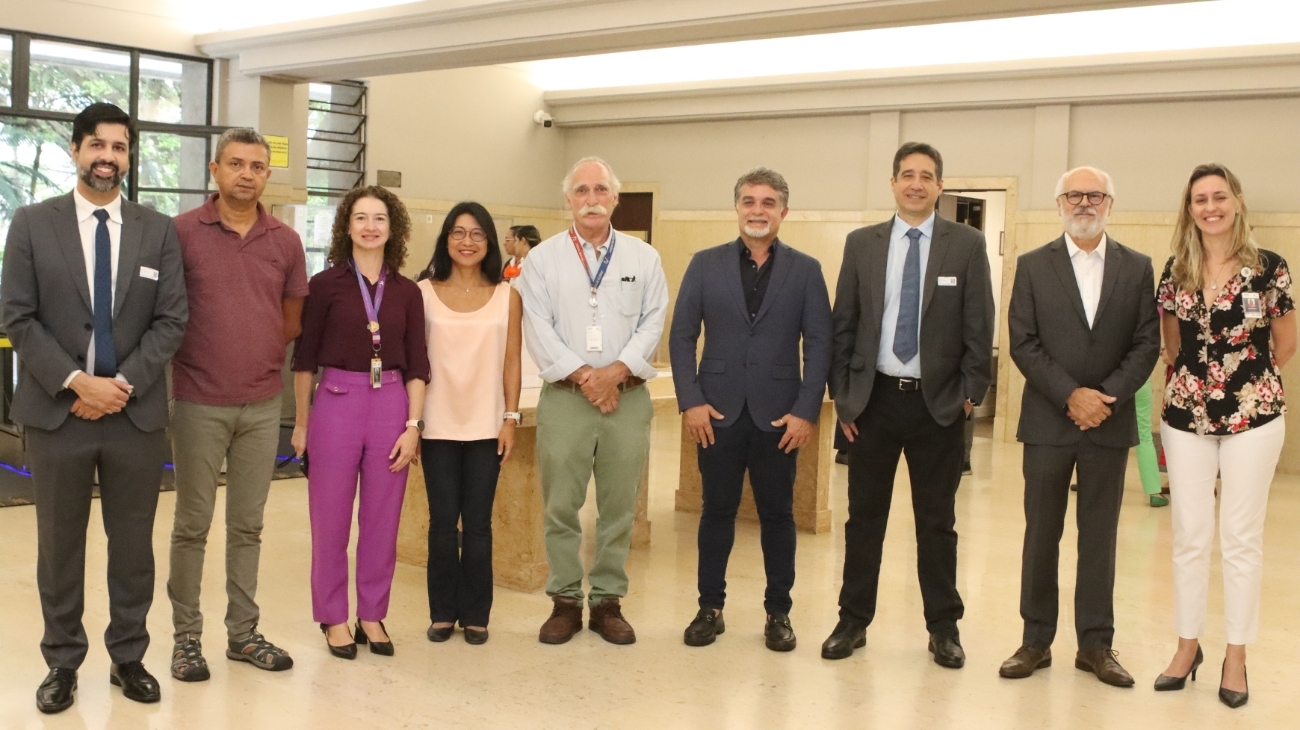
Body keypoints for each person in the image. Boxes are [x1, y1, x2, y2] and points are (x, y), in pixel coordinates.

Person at [1, 102, 187, 713]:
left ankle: (128, 656)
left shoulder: (158, 230)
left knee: (133, 546)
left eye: (119, 147)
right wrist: (79, 383)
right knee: (60, 545)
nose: (108, 157)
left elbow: (172, 320)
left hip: (134, 416)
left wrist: (119, 385)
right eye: (98, 145)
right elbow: (17, 316)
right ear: (76, 150)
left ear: (129, 157)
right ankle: (62, 661)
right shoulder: (33, 223)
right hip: (58, 414)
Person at [824, 142, 994, 666]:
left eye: (926, 176)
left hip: (938, 407)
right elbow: (844, 324)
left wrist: (970, 396)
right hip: (872, 403)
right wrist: (845, 401)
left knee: (937, 523)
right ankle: (853, 620)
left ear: (940, 186)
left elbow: (979, 323)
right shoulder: (862, 244)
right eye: (907, 175)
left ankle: (944, 627)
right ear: (893, 183)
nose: (916, 184)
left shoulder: (966, 245)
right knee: (863, 519)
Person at [1000, 167, 1160, 686]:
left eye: (1095, 195)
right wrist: (1070, 395)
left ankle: (1095, 645)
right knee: (1041, 534)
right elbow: (1023, 341)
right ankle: (1035, 641)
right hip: (1048, 422)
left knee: (1100, 538)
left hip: (1108, 424)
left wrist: (1104, 397)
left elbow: (1147, 343)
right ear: (1059, 204)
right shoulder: (1032, 265)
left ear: (1110, 203)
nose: (1084, 203)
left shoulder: (1137, 267)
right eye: (1074, 195)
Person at [166, 127, 307, 682]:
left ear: (267, 174)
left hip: (261, 403)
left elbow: (290, 319)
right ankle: (186, 639)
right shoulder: (181, 233)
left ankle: (243, 633)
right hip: (198, 401)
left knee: (248, 526)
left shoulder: (285, 241)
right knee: (192, 525)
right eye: (236, 164)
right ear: (215, 169)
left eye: (256, 166)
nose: (246, 174)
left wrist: (258, 352)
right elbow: (166, 313)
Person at [669, 167, 831, 651]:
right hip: (715, 415)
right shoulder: (704, 264)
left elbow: (819, 344)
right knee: (715, 512)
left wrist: (806, 410)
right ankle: (709, 608)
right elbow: (681, 337)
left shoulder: (806, 270)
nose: (757, 210)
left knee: (778, 515)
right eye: (748, 201)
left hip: (779, 417)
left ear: (784, 211)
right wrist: (691, 401)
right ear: (737, 208)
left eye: (767, 202)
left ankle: (778, 613)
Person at [1153, 163, 1295, 708]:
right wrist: (1203, 386)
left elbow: (1285, 342)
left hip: (1253, 417)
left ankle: (1236, 655)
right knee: (1189, 535)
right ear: (1189, 210)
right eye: (1199, 200)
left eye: (1218, 197)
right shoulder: (1176, 270)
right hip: (1186, 418)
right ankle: (1187, 647)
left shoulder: (1269, 268)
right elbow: (1172, 345)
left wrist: (1242, 385)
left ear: (1236, 201)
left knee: (1240, 538)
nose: (1210, 208)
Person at [516, 156, 668, 645]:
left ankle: (607, 601)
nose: (591, 199)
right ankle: (564, 600)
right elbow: (537, 327)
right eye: (581, 191)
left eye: (601, 189)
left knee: (619, 507)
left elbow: (653, 320)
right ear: (568, 200)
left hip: (627, 398)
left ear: (615, 198)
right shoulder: (542, 260)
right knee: (561, 506)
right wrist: (587, 377)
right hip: (566, 399)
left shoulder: (643, 258)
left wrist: (616, 373)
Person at [291, 186, 430, 659]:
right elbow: (304, 361)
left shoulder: (408, 292)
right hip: (336, 401)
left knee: (382, 520)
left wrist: (413, 426)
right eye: (361, 218)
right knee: (330, 519)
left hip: (392, 404)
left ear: (393, 229)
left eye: (380, 218)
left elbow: (418, 365)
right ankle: (333, 616)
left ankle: (372, 614)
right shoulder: (324, 285)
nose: (371, 227)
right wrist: (302, 424)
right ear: (346, 227)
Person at [417, 202, 523, 645]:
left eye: (477, 234)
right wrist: (412, 422)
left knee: (478, 524)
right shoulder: (422, 292)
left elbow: (512, 361)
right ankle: (443, 612)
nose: (467, 241)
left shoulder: (506, 296)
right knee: (443, 523)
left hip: (486, 427)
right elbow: (414, 363)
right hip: (436, 426)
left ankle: (477, 614)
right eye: (458, 232)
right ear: (446, 239)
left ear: (489, 243)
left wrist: (510, 418)